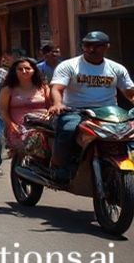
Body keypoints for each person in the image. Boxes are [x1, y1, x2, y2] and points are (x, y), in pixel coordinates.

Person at [49, 31, 134, 183]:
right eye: (87, 45)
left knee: (129, 134)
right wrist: (57, 104)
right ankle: (59, 166)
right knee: (67, 129)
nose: (91, 49)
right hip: (76, 110)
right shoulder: (69, 66)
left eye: (96, 46)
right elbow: (57, 88)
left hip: (109, 113)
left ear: (107, 47)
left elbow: (130, 93)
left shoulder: (116, 68)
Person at [0, 57, 49, 151]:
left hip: (42, 126)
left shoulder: (43, 87)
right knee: (23, 152)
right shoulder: (8, 89)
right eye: (20, 69)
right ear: (15, 71)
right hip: (18, 129)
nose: (24, 71)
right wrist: (11, 125)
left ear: (34, 70)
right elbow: (3, 110)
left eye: (27, 68)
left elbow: (50, 106)